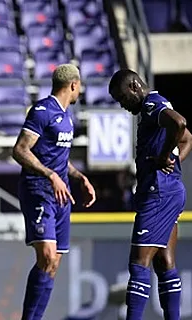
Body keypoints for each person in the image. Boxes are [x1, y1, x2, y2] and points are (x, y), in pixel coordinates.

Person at [12, 64, 96, 320]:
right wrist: (49, 175)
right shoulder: (42, 111)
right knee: (47, 255)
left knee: (54, 262)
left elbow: (59, 159)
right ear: (73, 85)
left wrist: (79, 177)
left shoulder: (67, 117)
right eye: (79, 86)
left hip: (62, 194)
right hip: (39, 190)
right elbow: (20, 150)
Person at [109, 69, 192, 320]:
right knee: (165, 262)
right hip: (168, 190)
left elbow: (180, 124)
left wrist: (166, 155)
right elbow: (187, 140)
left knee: (138, 263)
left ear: (135, 86)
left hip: (158, 194)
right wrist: (173, 160)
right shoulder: (157, 104)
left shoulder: (151, 105)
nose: (123, 105)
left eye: (123, 98)